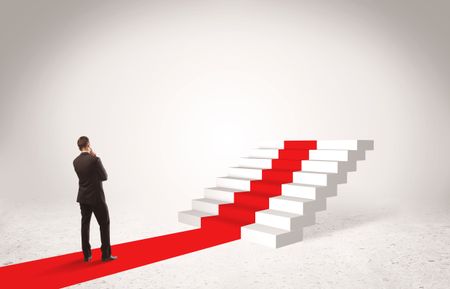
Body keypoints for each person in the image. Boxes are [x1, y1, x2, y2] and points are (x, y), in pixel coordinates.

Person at [73, 136, 117, 262]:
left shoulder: (75, 161)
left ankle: (87, 254)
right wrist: (95, 156)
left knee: (85, 225)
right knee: (104, 224)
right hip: (96, 198)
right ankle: (106, 255)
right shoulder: (95, 159)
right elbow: (104, 176)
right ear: (88, 145)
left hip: (83, 197)